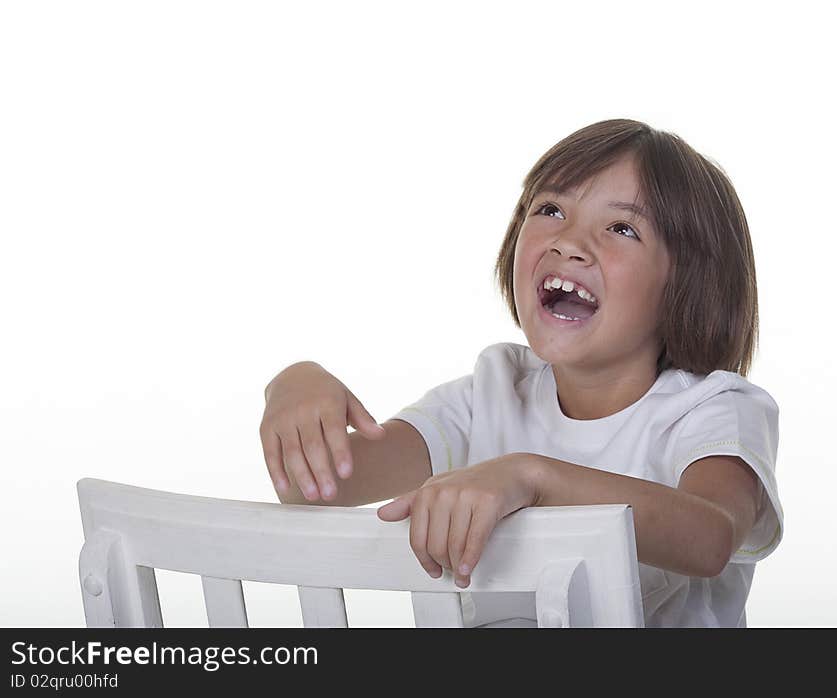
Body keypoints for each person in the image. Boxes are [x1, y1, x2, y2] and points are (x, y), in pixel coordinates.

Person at [259, 118, 783, 628]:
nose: (569, 242)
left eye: (622, 228)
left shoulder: (715, 410)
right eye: (551, 209)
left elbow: (712, 537)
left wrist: (531, 477)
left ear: (689, 283)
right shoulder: (491, 392)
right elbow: (315, 488)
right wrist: (294, 385)